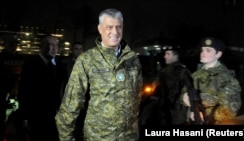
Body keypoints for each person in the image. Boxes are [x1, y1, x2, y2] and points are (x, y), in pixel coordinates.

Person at [55, 8, 143, 141]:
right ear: (100, 28)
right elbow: (71, 104)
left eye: (118, 27)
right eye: (109, 27)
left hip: (129, 137)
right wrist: (66, 137)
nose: (115, 32)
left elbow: (136, 98)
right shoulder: (87, 60)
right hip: (99, 137)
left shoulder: (133, 60)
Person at [182, 37, 242, 125]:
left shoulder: (225, 77)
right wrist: (185, 98)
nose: (203, 53)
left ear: (218, 54)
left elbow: (230, 110)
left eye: (208, 51)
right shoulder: (195, 75)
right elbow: (184, 91)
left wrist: (203, 114)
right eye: (202, 50)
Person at [18, 35, 64, 141]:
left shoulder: (60, 66)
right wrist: (24, 115)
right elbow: (24, 91)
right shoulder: (30, 65)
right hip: (36, 115)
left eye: (56, 45)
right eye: (50, 45)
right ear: (42, 47)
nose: (53, 48)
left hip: (55, 115)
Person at [139, 45, 195, 127]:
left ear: (175, 56)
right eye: (165, 54)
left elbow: (189, 91)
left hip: (177, 114)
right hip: (163, 111)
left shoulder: (183, 72)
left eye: (168, 54)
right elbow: (155, 88)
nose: (165, 56)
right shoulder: (163, 71)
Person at [0, 35, 24, 141]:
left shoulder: (21, 58)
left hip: (18, 93)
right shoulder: (1, 58)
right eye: (11, 44)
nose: (13, 46)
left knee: (19, 119)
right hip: (4, 92)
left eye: (15, 44)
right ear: (5, 45)